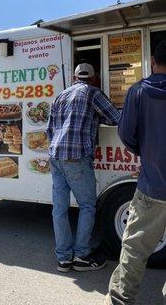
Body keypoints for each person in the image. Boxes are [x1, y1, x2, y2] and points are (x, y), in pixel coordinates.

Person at [105, 40, 166, 305]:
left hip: (152, 187)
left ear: (152, 61)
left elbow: (125, 133)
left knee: (134, 250)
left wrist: (146, 150)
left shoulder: (138, 91)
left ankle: (119, 301)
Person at [47, 63, 120, 273]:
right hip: (76, 157)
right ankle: (81, 256)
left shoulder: (60, 96)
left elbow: (49, 129)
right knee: (87, 206)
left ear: (74, 77)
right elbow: (116, 118)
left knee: (59, 209)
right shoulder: (93, 93)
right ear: (94, 77)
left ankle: (63, 259)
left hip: (55, 155)